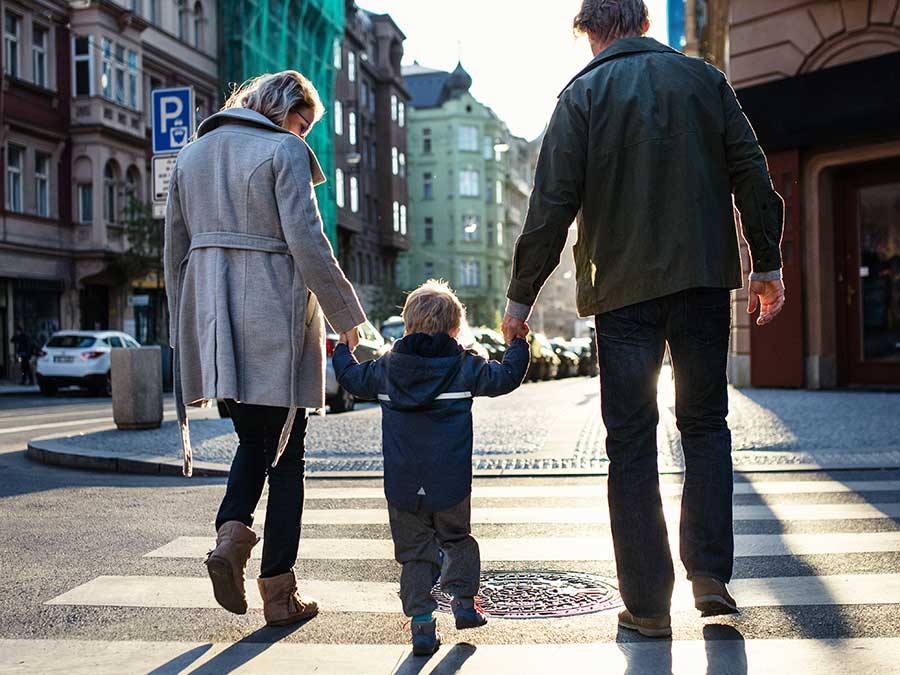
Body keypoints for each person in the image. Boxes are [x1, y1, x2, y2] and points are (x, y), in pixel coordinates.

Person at [502, 0, 786, 638]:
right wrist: (764, 265)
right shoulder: (704, 80)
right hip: (704, 278)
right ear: (646, 23)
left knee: (631, 440)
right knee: (705, 425)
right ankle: (710, 575)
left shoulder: (581, 96)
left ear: (593, 33)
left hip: (621, 289)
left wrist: (520, 300)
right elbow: (752, 172)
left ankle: (649, 605)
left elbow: (551, 206)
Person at [163, 71, 366, 627]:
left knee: (255, 438)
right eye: (301, 124)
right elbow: (306, 238)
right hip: (273, 313)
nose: (303, 136)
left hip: (215, 318)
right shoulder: (284, 151)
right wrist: (347, 316)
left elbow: (174, 253)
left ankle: (234, 541)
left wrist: (187, 331)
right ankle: (273, 585)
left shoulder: (191, 156)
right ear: (280, 110)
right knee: (286, 455)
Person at [332, 280, 530, 655]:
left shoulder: (386, 369)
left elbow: (350, 378)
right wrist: (517, 343)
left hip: (404, 484)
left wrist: (344, 347)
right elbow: (506, 377)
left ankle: (422, 624)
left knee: (414, 553)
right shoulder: (465, 365)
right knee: (457, 539)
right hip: (451, 481)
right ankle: (465, 604)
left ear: (406, 326)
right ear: (456, 330)